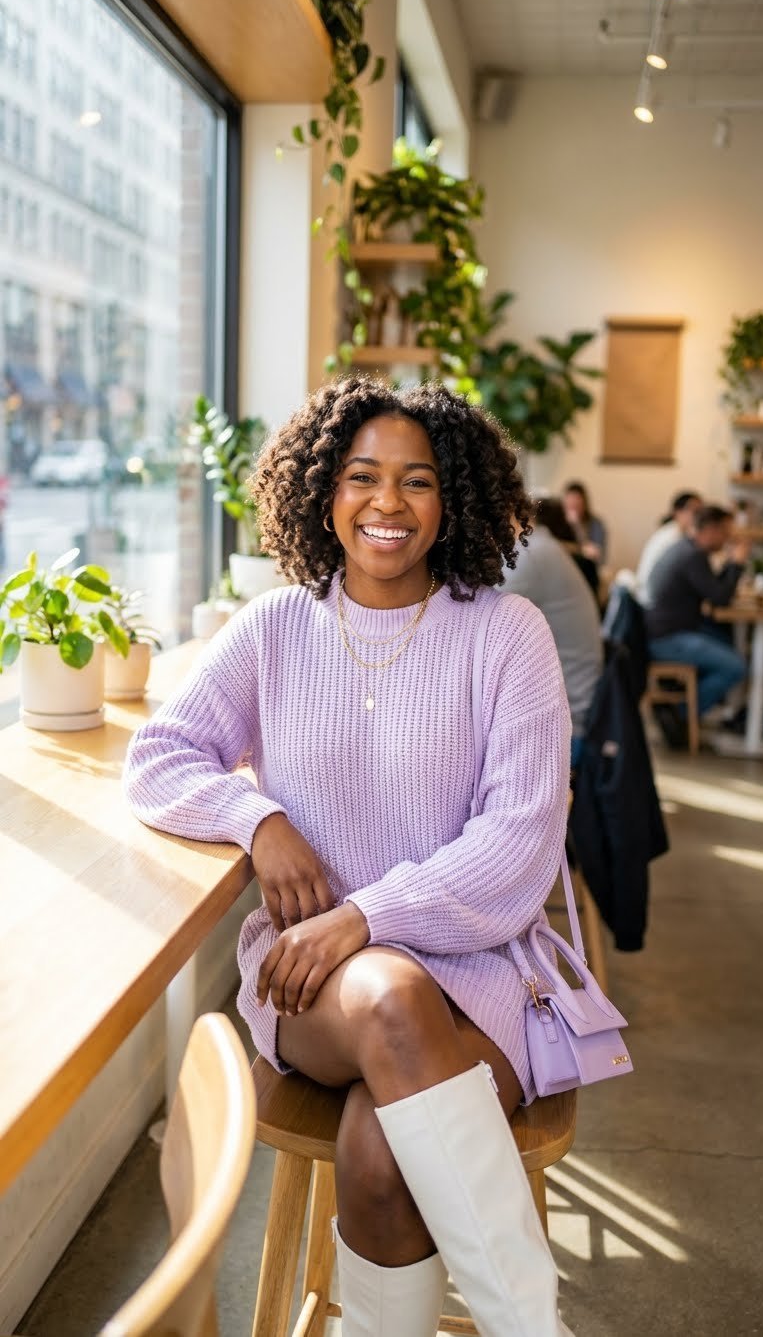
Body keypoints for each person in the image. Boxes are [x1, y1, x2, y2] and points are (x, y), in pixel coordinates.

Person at [124, 378, 573, 1337]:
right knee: (389, 995)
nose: (387, 503)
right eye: (362, 476)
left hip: (480, 970)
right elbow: (157, 757)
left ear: (452, 499)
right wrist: (259, 819)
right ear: (323, 491)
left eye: (417, 481)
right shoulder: (276, 627)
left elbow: (519, 845)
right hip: (311, 983)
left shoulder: (505, 635)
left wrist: (365, 915)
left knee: (377, 1152)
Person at [501, 497, 602, 768]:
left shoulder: (529, 554)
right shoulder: (537, 546)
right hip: (569, 709)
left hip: (565, 730)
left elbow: (474, 627)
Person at [645, 504, 749, 737]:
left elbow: (714, 590)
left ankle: (711, 711)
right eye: (726, 532)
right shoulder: (692, 556)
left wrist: (731, 564)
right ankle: (679, 715)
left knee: (727, 641)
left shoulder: (685, 548)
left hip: (665, 630)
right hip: (667, 639)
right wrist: (737, 563)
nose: (728, 538)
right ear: (712, 530)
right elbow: (721, 598)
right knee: (736, 666)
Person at [635, 490, 702, 605]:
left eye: (701, 511)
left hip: (653, 597)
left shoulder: (673, 532)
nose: (699, 516)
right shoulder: (673, 538)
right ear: (677, 512)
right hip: (653, 601)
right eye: (695, 511)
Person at [561, 480, 607, 564]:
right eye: (570, 504)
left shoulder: (596, 523)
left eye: (577, 504)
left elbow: (597, 555)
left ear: (584, 503)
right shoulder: (559, 523)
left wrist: (577, 526)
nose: (573, 507)